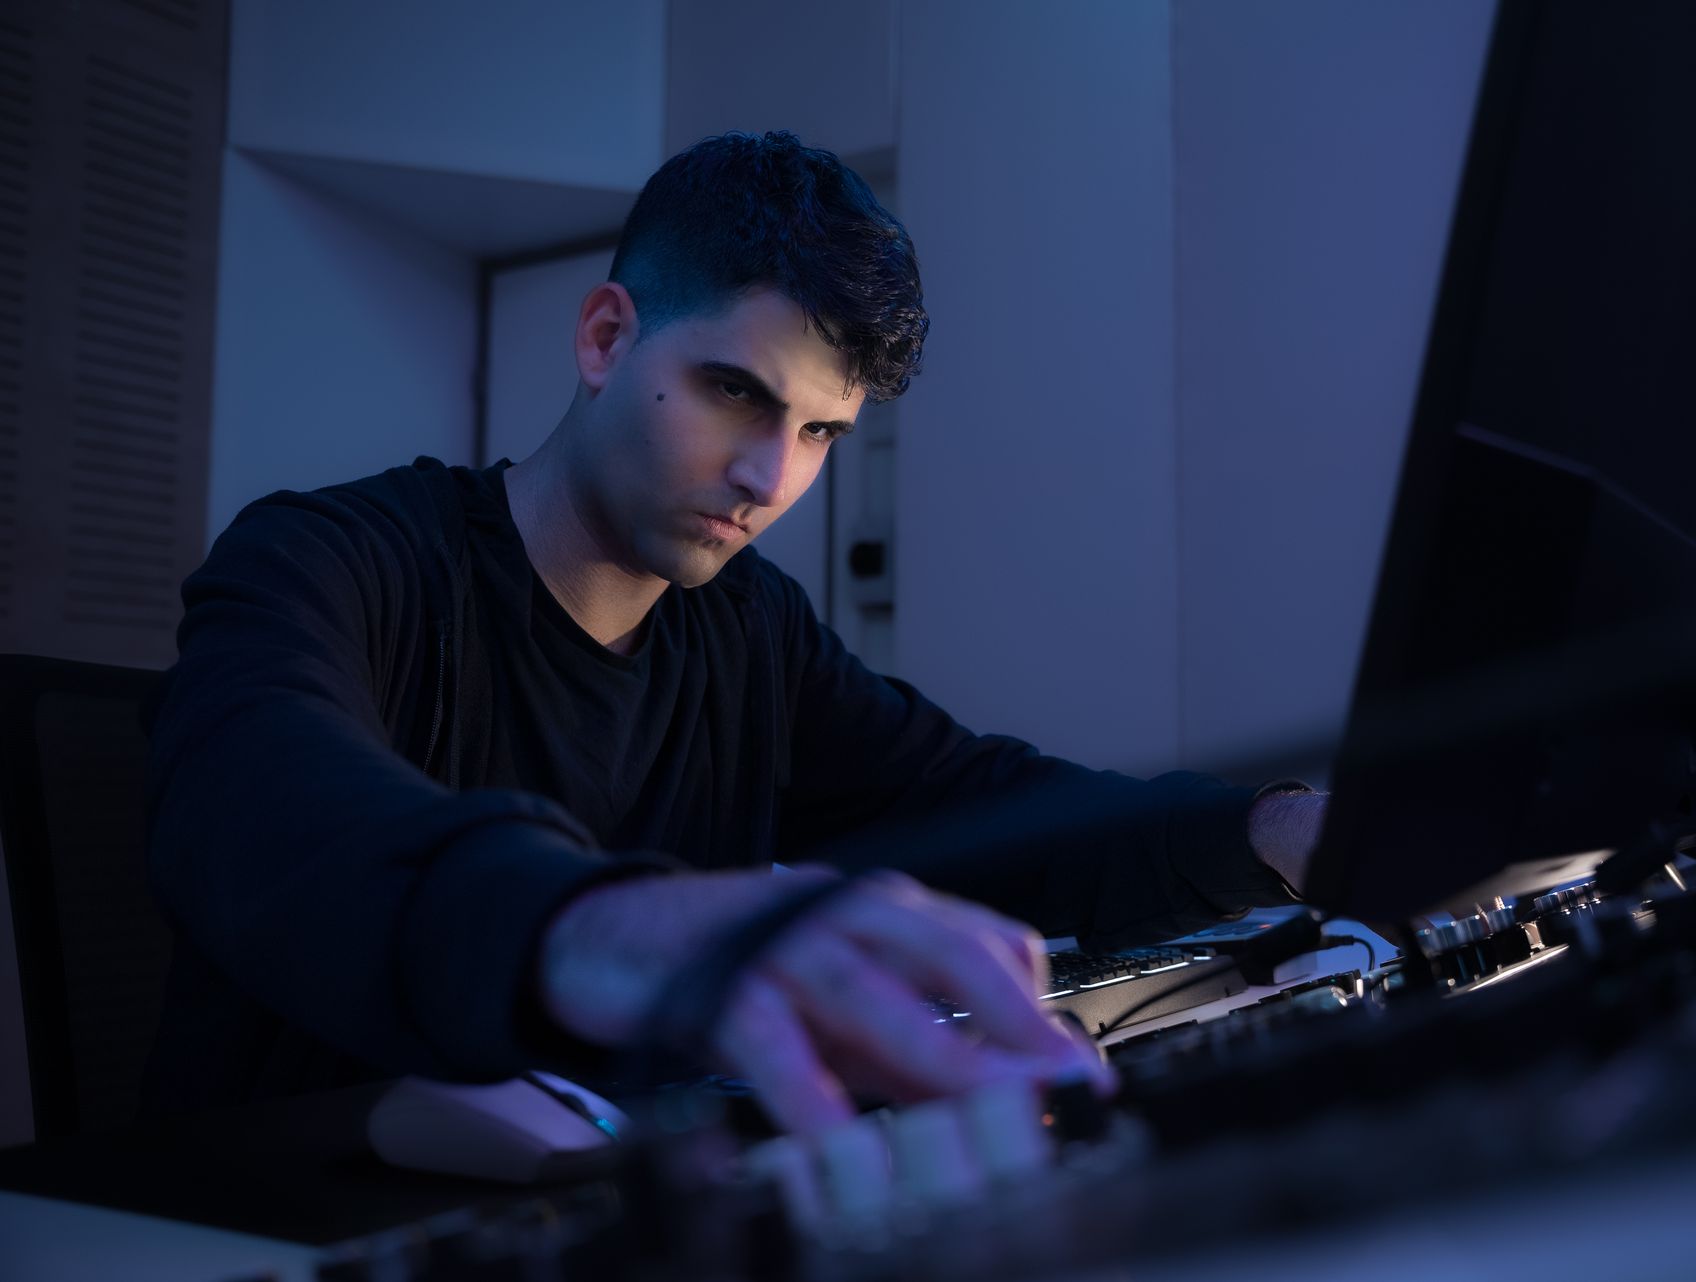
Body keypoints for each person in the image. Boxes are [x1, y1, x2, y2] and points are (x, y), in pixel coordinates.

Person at [143, 131, 1325, 1134]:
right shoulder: (332, 558)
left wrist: (1268, 830)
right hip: (267, 1214)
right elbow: (260, 799)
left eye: (820, 433)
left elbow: (986, 809)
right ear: (605, 338)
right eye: (736, 392)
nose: (770, 478)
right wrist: (606, 926)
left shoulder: (749, 629)